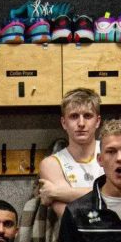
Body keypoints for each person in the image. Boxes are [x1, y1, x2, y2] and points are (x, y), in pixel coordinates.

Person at [38, 87, 103, 219]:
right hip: (76, 232)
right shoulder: (51, 164)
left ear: (97, 121)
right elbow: (68, 217)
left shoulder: (113, 153)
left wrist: (56, 192)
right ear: (64, 123)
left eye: (87, 116)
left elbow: (120, 196)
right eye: (74, 116)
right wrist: (102, 194)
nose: (81, 123)